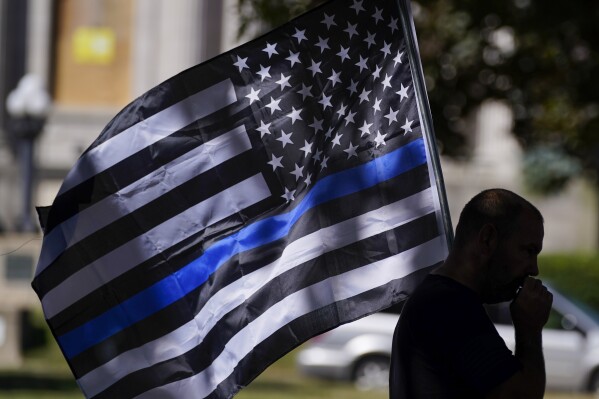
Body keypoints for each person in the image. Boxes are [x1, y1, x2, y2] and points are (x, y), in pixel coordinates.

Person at [389, 188, 553, 398]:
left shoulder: (443, 299)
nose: (534, 269)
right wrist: (529, 331)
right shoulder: (450, 307)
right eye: (528, 251)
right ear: (487, 239)